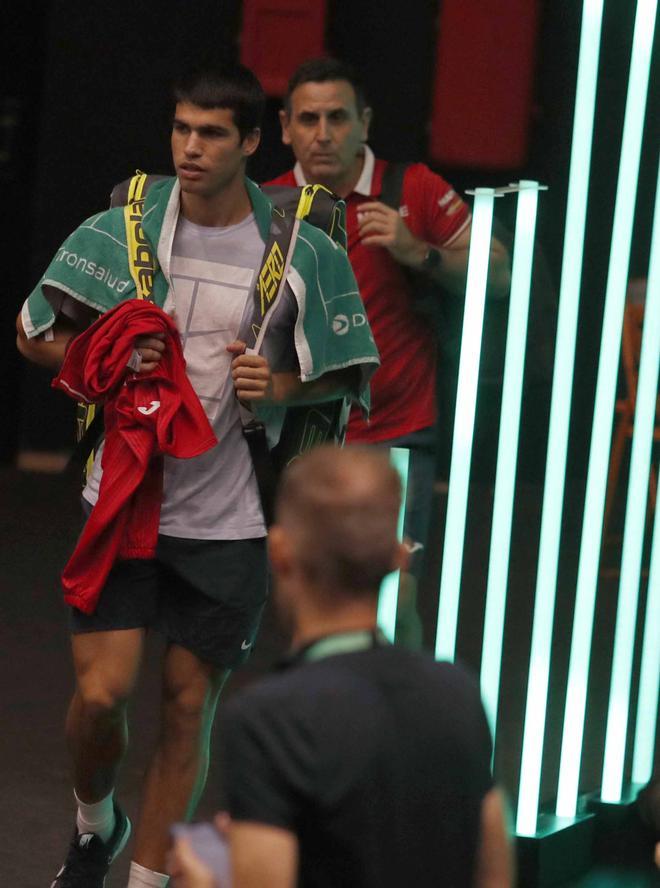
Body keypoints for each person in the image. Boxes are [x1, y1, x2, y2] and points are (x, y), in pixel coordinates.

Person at [16, 61, 378, 888]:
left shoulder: (302, 248)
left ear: (253, 142)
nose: (190, 146)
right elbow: (33, 333)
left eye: (212, 133)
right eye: (181, 128)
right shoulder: (126, 226)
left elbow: (354, 369)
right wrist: (102, 359)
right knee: (102, 700)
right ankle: (95, 824)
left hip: (235, 523)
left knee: (188, 709)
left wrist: (280, 384)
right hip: (124, 502)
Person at [168, 446, 513, 888]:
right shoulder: (458, 693)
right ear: (399, 557)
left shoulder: (267, 721)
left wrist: (205, 880)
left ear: (280, 552)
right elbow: (494, 873)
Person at [266, 57, 511, 645]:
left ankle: (405, 727)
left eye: (338, 118)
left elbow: (500, 272)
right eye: (308, 119)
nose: (323, 133)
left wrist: (418, 250)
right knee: (312, 604)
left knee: (393, 607)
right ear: (285, 127)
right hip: (303, 435)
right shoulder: (265, 204)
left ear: (364, 122)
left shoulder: (412, 188)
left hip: (396, 432)